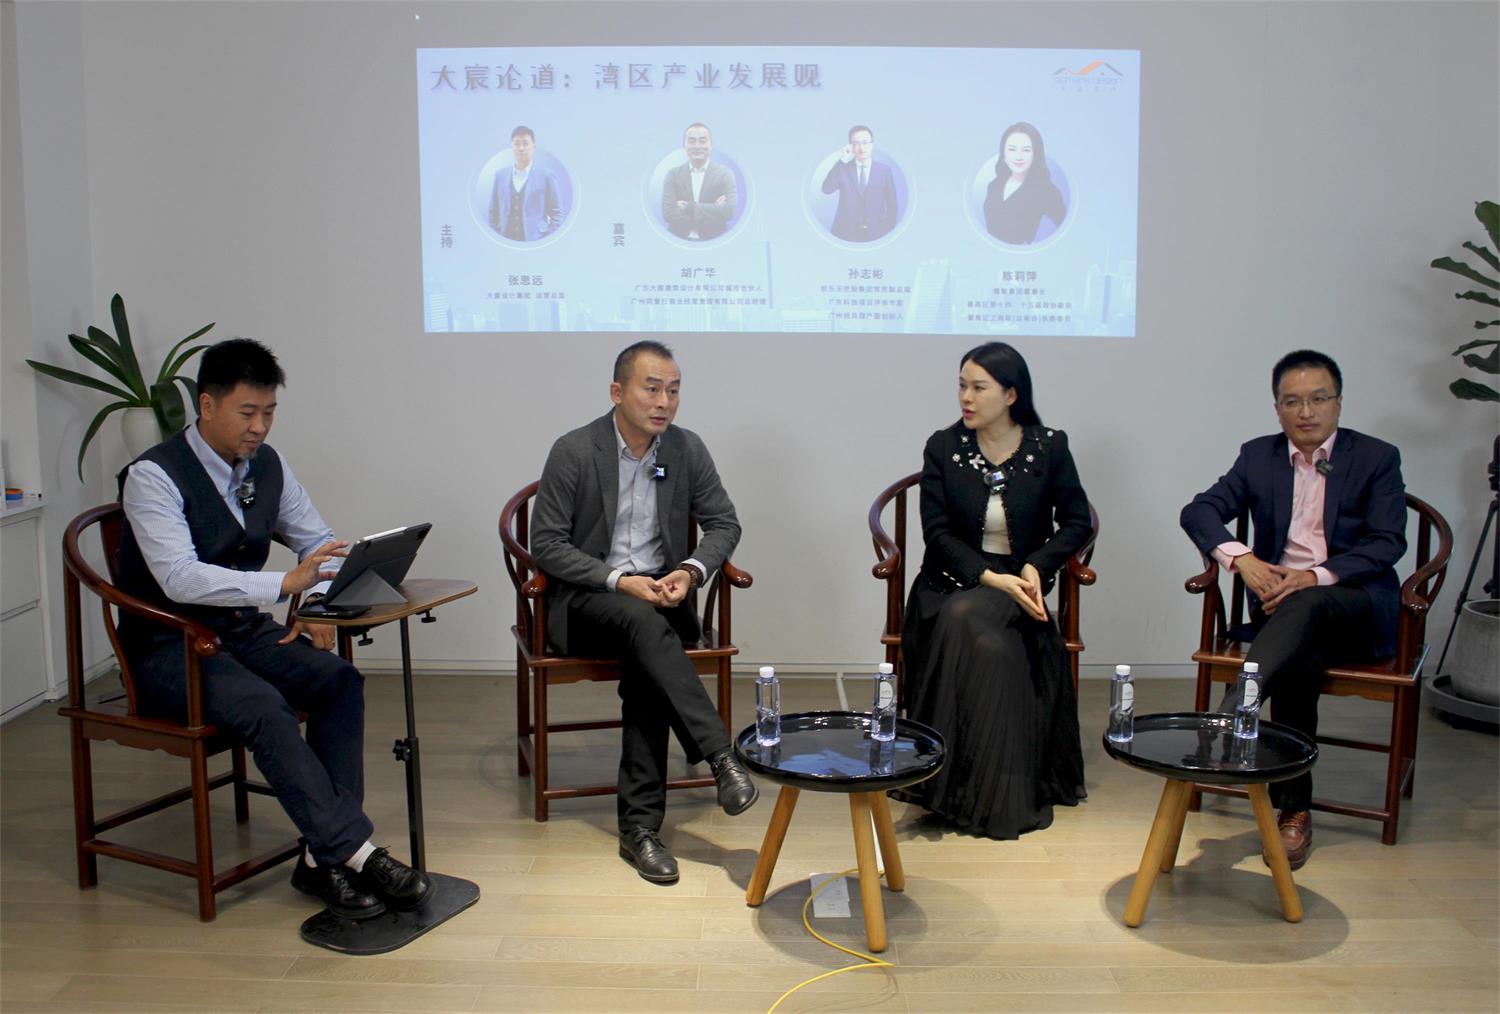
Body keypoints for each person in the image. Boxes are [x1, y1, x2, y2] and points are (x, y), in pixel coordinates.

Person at [116, 339, 431, 921]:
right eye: (247, 413)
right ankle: (355, 853)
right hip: (169, 647)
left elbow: (319, 544)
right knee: (264, 706)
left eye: (269, 412)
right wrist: (285, 584)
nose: (259, 427)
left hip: (239, 631)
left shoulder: (268, 464)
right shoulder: (152, 477)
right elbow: (179, 578)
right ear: (206, 405)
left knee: (337, 681)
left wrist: (314, 600)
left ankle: (321, 857)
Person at [529, 340, 758, 884]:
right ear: (617, 392)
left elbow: (724, 522)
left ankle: (640, 831)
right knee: (643, 627)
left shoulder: (685, 448)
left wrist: (690, 571)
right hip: (589, 600)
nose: (664, 402)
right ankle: (720, 756)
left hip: (659, 599)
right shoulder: (575, 450)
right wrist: (619, 581)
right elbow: (547, 544)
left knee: (647, 659)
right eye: (651, 388)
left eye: (673, 391)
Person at [1181, 350, 1406, 870]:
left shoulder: (1376, 457)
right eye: (1292, 401)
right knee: (1298, 656)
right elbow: (1200, 510)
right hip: (1284, 617)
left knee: (1305, 606)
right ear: (1277, 408)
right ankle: (1293, 812)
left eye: (1318, 399)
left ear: (1338, 404)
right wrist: (1242, 559)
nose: (1306, 412)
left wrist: (1314, 575)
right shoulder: (1258, 456)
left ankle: (1235, 707)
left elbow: (1387, 541)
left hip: (1354, 606)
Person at [892, 342, 1091, 839]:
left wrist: (1036, 565)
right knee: (972, 626)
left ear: (1011, 394)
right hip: (948, 584)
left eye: (979, 387)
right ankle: (981, 786)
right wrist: (988, 577)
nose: (966, 397)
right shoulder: (943, 446)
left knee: (978, 628)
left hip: (1018, 584)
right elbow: (937, 534)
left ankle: (966, 788)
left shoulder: (1049, 446)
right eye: (962, 385)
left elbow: (1076, 522)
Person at [983, 122, 1067, 245]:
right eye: (1012, 149)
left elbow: (1067, 229)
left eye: (1026, 150)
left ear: (1035, 154)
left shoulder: (1045, 191)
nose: (1018, 157)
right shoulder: (994, 186)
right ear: (1003, 153)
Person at [820, 124, 899, 242]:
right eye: (856, 143)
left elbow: (893, 205)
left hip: (877, 233)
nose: (861, 148)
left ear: (872, 144)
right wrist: (842, 160)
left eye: (865, 142)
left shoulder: (884, 171)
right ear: (850, 146)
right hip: (844, 233)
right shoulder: (843, 168)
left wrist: (887, 230)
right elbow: (826, 189)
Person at [661, 123, 737, 241]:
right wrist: (714, 208)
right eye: (692, 141)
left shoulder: (724, 174)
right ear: (684, 145)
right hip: (677, 241)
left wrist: (689, 207)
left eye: (702, 141)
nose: (697, 146)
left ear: (711, 145)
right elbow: (668, 214)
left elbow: (729, 211)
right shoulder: (673, 175)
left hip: (715, 241)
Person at [488, 125, 563, 241]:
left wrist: (546, 239)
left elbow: (557, 214)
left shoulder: (546, 176)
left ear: (533, 146)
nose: (521, 148)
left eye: (525, 143)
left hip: (535, 242)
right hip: (505, 242)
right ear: (512, 147)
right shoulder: (500, 176)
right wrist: (497, 237)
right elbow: (493, 212)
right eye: (517, 144)